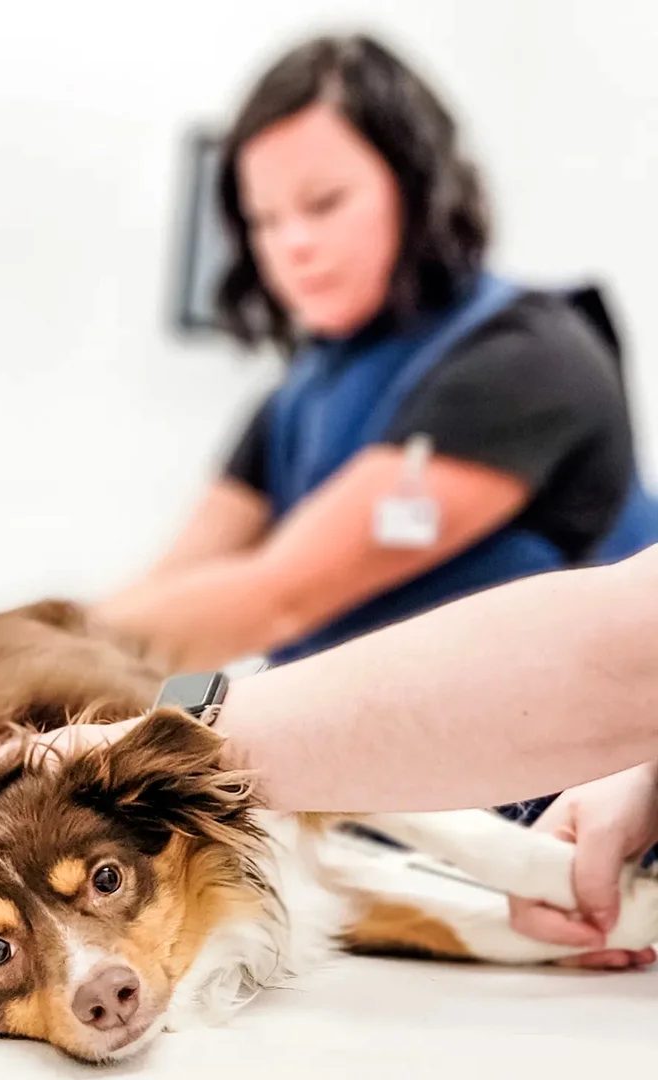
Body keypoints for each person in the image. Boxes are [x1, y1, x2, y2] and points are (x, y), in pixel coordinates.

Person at [92, 33, 658, 676]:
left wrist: (26, 666)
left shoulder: (528, 363)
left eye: (324, 203)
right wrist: (37, 651)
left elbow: (276, 597)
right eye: (265, 219)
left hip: (565, 772)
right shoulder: (294, 400)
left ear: (418, 189)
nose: (291, 244)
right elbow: (174, 581)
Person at [33, 543, 658, 968]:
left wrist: (188, 740)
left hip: (489, 770)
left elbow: (627, 659)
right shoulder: (299, 392)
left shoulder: (510, 353)